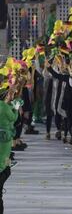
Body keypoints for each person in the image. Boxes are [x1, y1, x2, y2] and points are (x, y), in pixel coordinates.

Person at [0, 85, 22, 214]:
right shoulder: (4, 107)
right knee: (4, 156)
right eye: (9, 95)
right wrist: (16, 107)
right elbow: (14, 118)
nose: (11, 97)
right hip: (4, 137)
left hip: (5, 137)